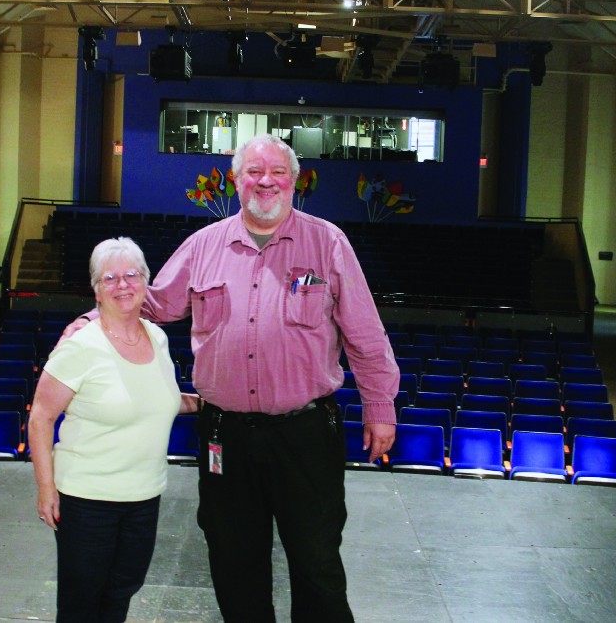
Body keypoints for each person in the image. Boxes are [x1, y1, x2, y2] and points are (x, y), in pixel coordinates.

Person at [65, 133, 398, 622]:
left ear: (294, 180)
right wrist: (97, 317)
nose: (266, 182)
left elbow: (365, 335)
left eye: (277, 173)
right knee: (233, 560)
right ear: (236, 181)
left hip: (304, 433)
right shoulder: (203, 246)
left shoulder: (327, 242)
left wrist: (380, 408)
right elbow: (154, 303)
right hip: (226, 437)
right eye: (254, 174)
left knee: (316, 561)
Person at [29, 236, 199, 623]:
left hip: (143, 496)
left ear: (146, 282)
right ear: (96, 289)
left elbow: (164, 399)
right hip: (87, 499)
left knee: (121, 592)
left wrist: (211, 402)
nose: (123, 285)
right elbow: (40, 417)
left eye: (132, 275)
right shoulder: (80, 346)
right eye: (110, 278)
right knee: (82, 603)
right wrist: (45, 488)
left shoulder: (157, 338)